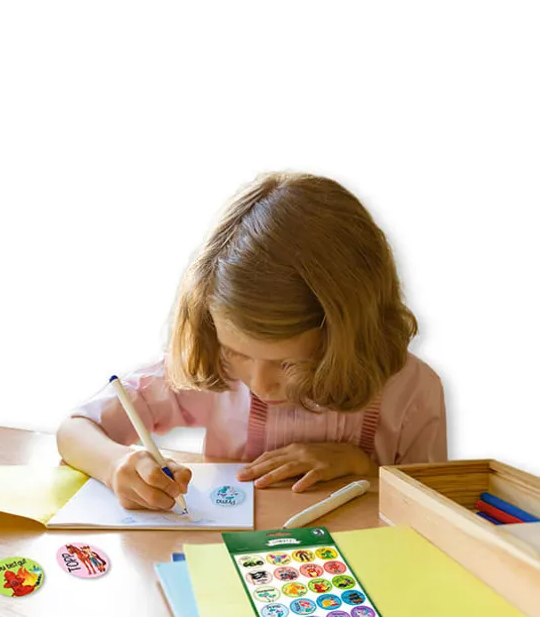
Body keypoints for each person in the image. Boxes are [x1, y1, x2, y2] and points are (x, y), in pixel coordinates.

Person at [57, 171, 447, 511]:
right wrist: (116, 465)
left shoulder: (413, 392)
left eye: (289, 363)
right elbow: (75, 430)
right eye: (237, 352)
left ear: (348, 336)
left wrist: (362, 467)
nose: (259, 384)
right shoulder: (215, 369)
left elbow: (437, 513)